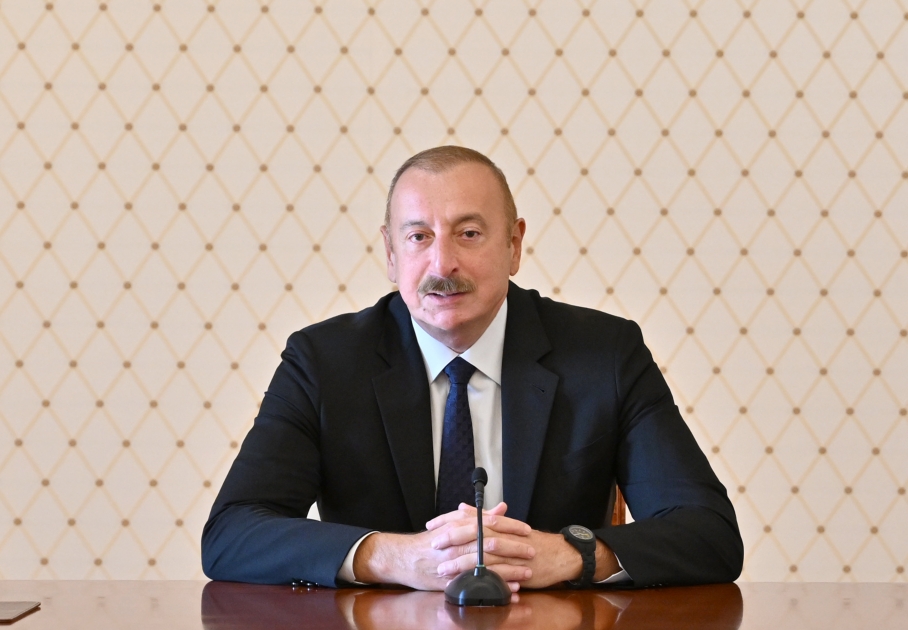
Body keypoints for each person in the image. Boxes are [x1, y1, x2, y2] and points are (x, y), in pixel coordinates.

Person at [201, 146, 743, 590]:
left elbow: (709, 534)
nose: (443, 264)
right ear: (391, 253)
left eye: (469, 233)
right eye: (419, 237)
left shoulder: (605, 355)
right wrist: (395, 557)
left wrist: (569, 555)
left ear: (514, 245)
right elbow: (232, 533)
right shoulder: (322, 362)